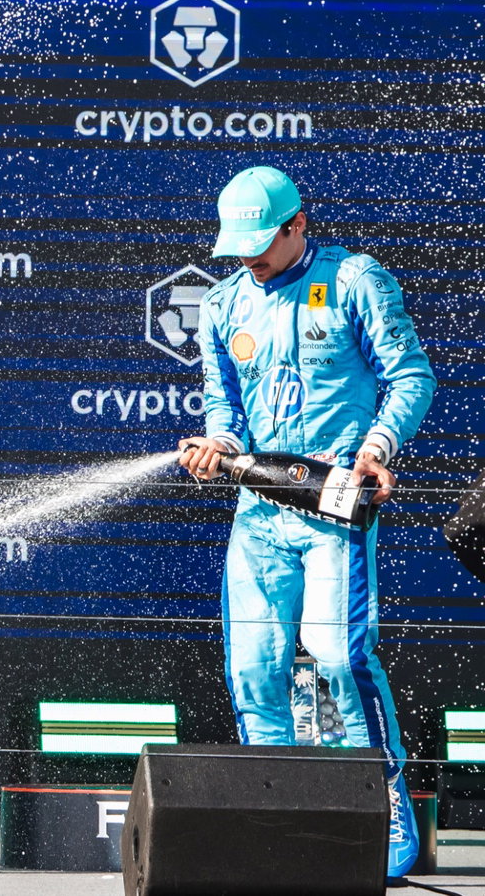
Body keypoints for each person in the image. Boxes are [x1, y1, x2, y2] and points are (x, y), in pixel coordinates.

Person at [175, 165, 434, 880]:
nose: (249, 258)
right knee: (253, 669)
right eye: (239, 246)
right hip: (258, 514)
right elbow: (224, 405)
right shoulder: (223, 303)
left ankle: (384, 813)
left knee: (338, 660)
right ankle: (274, 824)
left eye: (262, 242)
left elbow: (411, 376)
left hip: (332, 508)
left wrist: (377, 448)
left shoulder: (353, 280)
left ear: (298, 225)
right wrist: (218, 444)